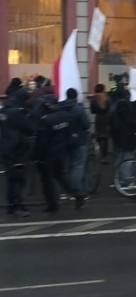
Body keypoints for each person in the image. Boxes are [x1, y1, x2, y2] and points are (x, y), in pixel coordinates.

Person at [34, 95, 84, 211]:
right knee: (61, 175)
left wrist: (37, 156)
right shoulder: (65, 116)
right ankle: (77, 193)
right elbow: (70, 133)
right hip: (61, 151)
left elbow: (41, 141)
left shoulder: (45, 120)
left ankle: (52, 204)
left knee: (47, 180)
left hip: (48, 154)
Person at [1, 87, 33, 218]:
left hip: (7, 147)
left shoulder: (5, 109)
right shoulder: (17, 112)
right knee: (17, 179)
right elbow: (29, 128)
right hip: (16, 148)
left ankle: (13, 205)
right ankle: (16, 205)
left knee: (12, 179)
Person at [60, 88, 91, 202]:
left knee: (66, 167)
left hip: (63, 141)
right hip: (78, 140)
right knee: (78, 166)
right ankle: (77, 191)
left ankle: (65, 191)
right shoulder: (79, 109)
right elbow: (86, 125)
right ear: (76, 96)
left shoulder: (59, 107)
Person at [90, 84, 111, 161]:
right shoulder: (107, 99)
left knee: (99, 135)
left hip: (98, 119)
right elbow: (109, 109)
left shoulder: (94, 99)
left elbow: (92, 111)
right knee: (105, 138)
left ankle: (98, 151)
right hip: (106, 119)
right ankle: (104, 156)